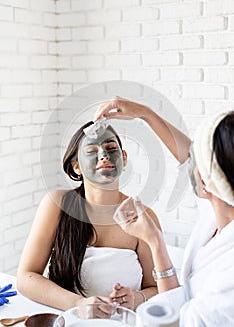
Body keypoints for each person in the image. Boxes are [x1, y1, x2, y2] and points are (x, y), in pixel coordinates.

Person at [95, 96, 234, 326]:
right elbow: (188, 157)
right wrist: (145, 113)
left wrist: (155, 243)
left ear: (207, 182)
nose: (191, 163)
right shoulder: (220, 206)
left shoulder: (228, 280)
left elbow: (177, 323)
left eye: (198, 161)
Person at [17, 120, 159, 312]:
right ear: (77, 167)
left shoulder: (142, 216)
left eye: (111, 148)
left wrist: (137, 298)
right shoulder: (57, 204)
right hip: (66, 319)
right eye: (91, 152)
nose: (103, 156)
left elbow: (157, 288)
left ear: (124, 159)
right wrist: (77, 304)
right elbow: (26, 277)